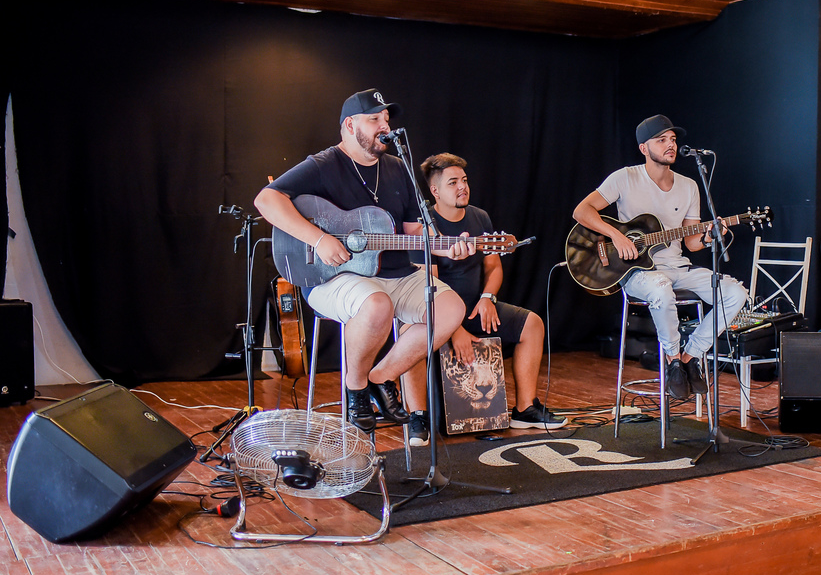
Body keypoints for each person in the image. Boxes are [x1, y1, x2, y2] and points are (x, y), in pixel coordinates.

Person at [254, 88, 472, 443]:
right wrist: (319, 239)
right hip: (331, 277)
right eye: (374, 119)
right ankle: (355, 390)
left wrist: (446, 247)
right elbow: (266, 199)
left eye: (386, 119)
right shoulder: (324, 164)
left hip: (397, 273)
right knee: (376, 305)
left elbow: (414, 229)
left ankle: (380, 378)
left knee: (450, 310)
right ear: (349, 125)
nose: (384, 126)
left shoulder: (398, 168)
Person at [572, 114, 748, 399]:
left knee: (735, 293)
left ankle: (689, 357)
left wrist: (709, 236)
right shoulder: (625, 178)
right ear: (644, 148)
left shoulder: (689, 186)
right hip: (638, 272)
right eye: (662, 140)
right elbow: (582, 211)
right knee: (661, 288)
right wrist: (616, 236)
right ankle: (672, 359)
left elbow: (691, 243)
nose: (671, 145)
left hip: (678, 268)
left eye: (673, 139)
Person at [420, 153, 566, 430]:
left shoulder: (479, 217)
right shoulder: (424, 227)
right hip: (439, 316)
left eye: (464, 180)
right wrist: (454, 329)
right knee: (411, 333)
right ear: (435, 191)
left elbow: (493, 267)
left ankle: (525, 409)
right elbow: (430, 284)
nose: (462, 187)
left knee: (533, 324)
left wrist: (488, 298)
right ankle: (420, 417)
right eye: (453, 182)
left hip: (475, 308)